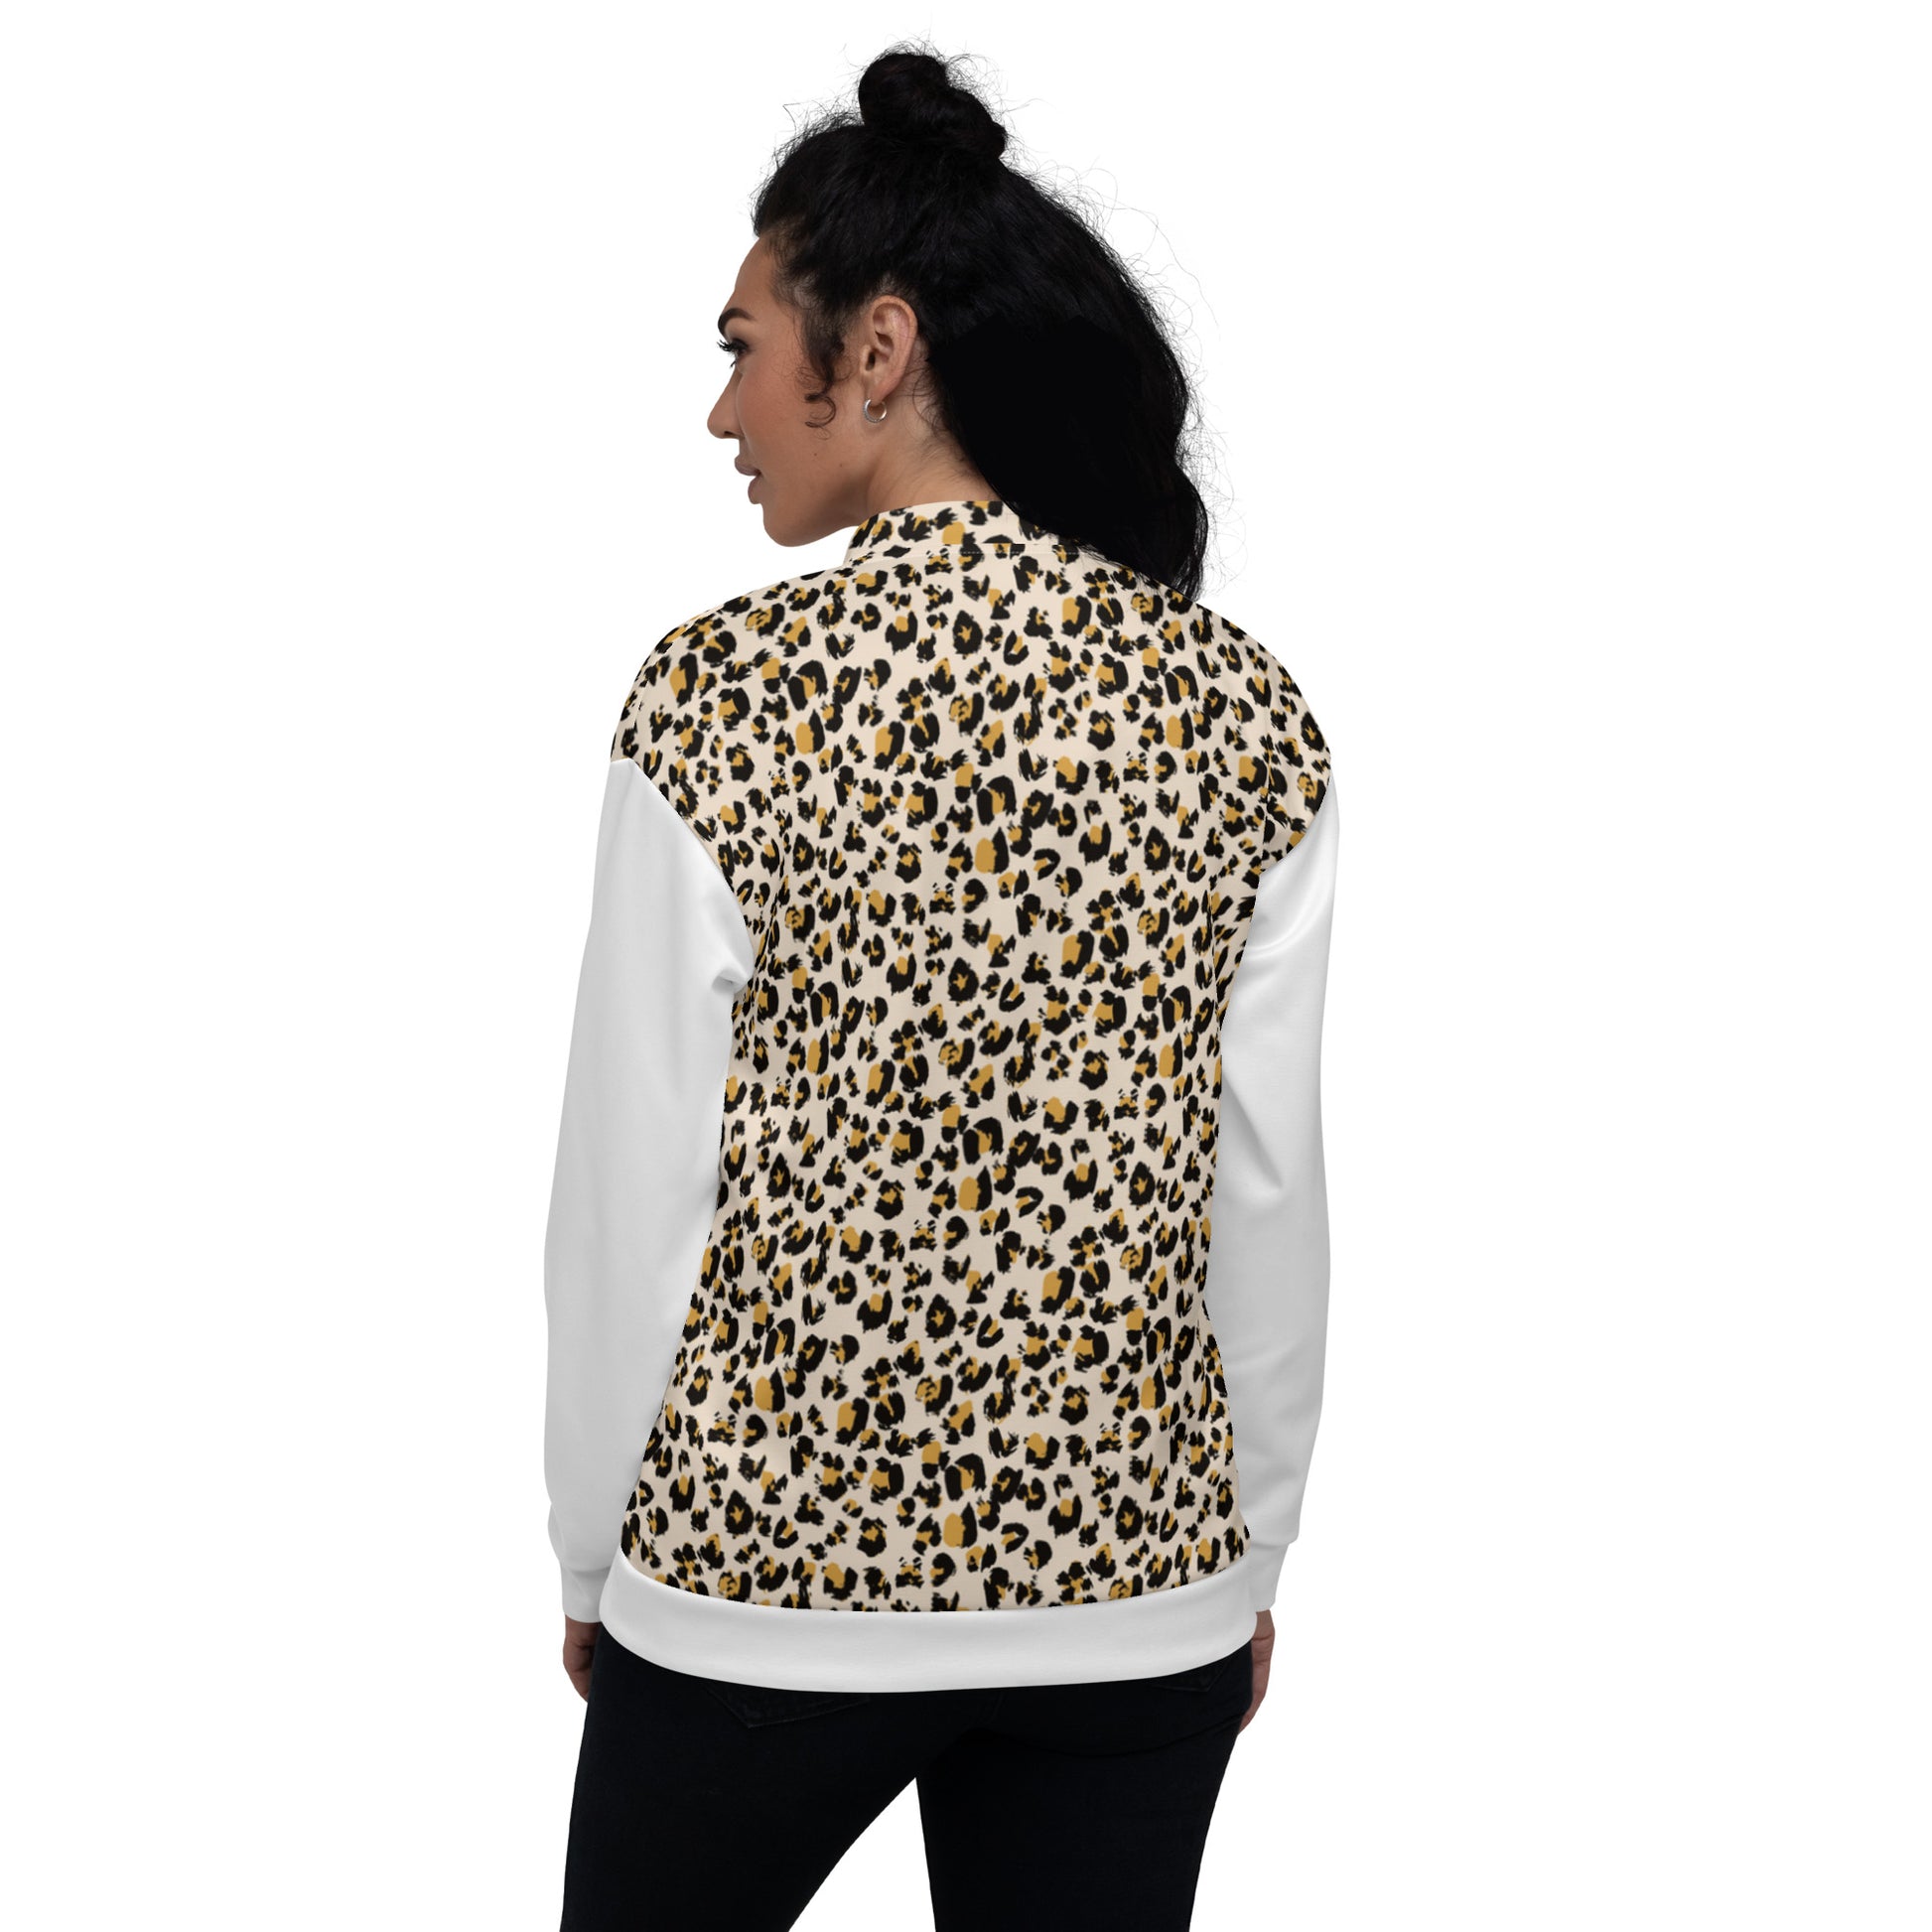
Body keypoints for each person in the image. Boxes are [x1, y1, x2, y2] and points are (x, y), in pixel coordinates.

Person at [543, 42, 1339, 1932]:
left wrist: (592, 1548)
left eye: (745, 346)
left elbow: (633, 1183)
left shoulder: (723, 697)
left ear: (877, 347)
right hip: (1131, 1599)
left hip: (759, 1588)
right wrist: (1244, 1557)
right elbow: (1264, 1194)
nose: (724, 408)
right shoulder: (1242, 715)